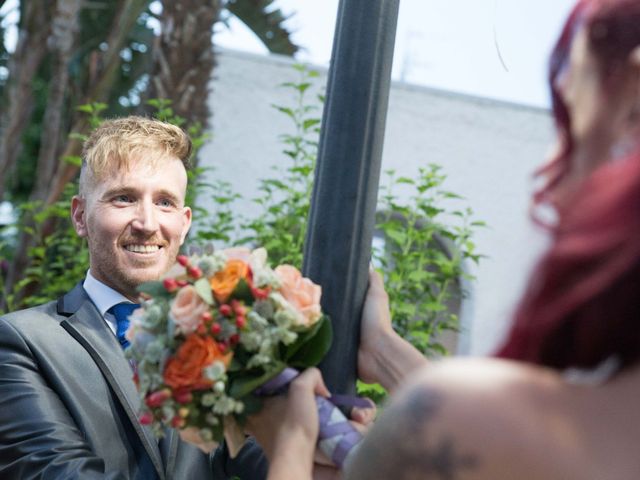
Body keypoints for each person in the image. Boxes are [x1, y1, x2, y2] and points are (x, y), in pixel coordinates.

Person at [251, 0, 640, 478]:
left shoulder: (477, 425)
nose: (548, 168)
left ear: (632, 109)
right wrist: (385, 353)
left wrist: (289, 441)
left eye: (568, 121)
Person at [0, 116, 268, 479]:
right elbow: (58, 471)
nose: (147, 222)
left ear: (184, 223)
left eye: (165, 202)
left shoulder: (215, 338)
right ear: (80, 216)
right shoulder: (21, 342)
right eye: (124, 198)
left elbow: (273, 460)